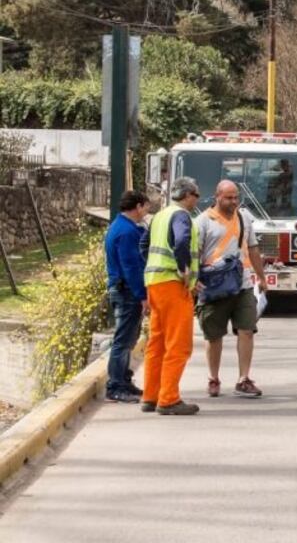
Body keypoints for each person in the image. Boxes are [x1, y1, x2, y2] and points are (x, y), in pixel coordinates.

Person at [195, 180, 268, 398]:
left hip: (243, 285)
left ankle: (243, 379)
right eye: (229, 197)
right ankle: (213, 378)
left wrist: (261, 277)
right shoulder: (202, 222)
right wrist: (193, 280)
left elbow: (253, 249)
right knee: (214, 336)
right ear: (217, 196)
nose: (234, 201)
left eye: (236, 197)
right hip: (214, 288)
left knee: (247, 330)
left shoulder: (244, 217)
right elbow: (194, 255)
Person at [141, 177, 201, 416]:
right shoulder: (181, 216)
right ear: (188, 195)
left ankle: (151, 395)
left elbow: (144, 245)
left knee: (157, 342)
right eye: (196, 195)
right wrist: (183, 269)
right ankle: (168, 399)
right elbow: (182, 241)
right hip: (172, 285)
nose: (197, 200)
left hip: (154, 283)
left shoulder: (159, 216)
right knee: (179, 343)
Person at [104, 190, 151, 403]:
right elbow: (131, 266)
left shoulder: (121, 227)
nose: (147, 212)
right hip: (127, 291)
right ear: (139, 206)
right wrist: (142, 295)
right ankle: (115, 386)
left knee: (129, 339)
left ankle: (124, 380)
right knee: (123, 341)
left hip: (123, 289)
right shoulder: (128, 232)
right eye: (146, 207)